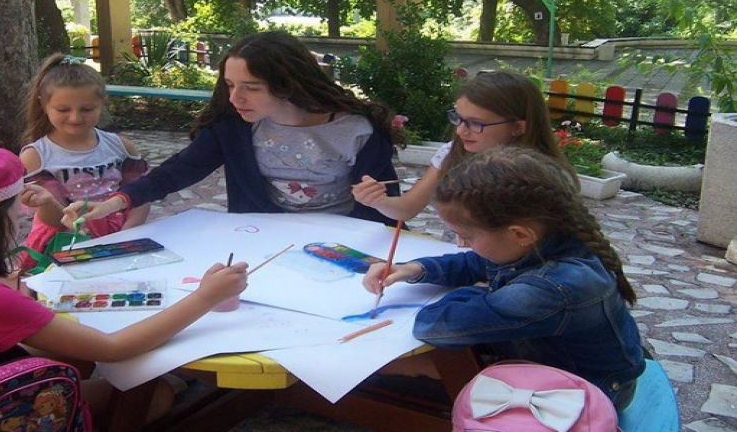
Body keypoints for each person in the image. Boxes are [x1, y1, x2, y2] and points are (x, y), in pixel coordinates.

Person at [0, 146, 248, 430]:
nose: (20, 220)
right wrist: (205, 297)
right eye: (16, 212)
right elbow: (115, 347)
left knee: (71, 355)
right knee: (154, 393)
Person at [362, 146, 644, 409]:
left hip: (586, 393)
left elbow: (433, 326)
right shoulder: (549, 238)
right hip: (559, 362)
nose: (462, 243)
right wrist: (413, 269)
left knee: (390, 376)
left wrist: (480, 290)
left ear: (519, 234)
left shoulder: (551, 288)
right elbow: (475, 262)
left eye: (467, 236)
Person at [63, 31, 405, 227]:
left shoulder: (357, 130)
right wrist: (115, 202)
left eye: (251, 87)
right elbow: (178, 171)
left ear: (287, 84)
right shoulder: (233, 125)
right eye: (229, 84)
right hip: (259, 238)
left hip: (341, 241)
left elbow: (384, 208)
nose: (235, 97)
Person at [352, 70, 576, 222]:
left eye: (476, 123)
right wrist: (379, 201)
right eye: (458, 118)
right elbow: (407, 208)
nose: (460, 131)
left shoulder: (544, 176)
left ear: (518, 127)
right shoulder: (452, 153)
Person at [19, 53, 150, 271]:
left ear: (102, 103)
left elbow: (141, 196)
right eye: (63, 109)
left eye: (87, 109)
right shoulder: (36, 157)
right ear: (43, 104)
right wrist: (86, 240)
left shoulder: (121, 147)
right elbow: (53, 218)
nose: (75, 117)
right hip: (63, 242)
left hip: (120, 236)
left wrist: (125, 235)